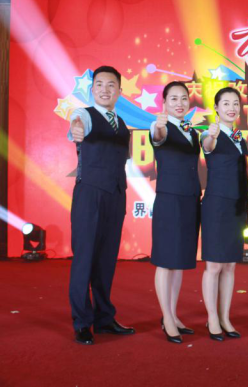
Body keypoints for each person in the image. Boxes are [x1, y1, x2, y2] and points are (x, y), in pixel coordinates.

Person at [68, 66, 134, 345]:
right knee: (85, 258)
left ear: (119, 91)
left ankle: (104, 318)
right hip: (90, 194)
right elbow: (77, 122)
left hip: (116, 195)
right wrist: (75, 128)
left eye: (111, 85)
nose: (105, 89)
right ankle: (82, 322)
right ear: (92, 89)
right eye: (100, 84)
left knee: (106, 260)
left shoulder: (122, 124)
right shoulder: (84, 115)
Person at [150, 81, 201, 344]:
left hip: (190, 199)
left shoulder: (191, 131)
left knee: (179, 261)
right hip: (170, 199)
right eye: (173, 99)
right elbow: (158, 136)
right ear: (164, 103)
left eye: (183, 98)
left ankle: (173, 314)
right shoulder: (161, 126)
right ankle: (167, 318)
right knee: (165, 260)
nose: (179, 103)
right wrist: (159, 126)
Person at [200, 87, 248, 341]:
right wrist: (211, 136)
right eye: (226, 103)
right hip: (217, 206)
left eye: (235, 103)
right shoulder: (211, 133)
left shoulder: (241, 138)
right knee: (214, 265)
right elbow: (208, 146)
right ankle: (212, 318)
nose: (232, 108)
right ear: (216, 108)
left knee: (230, 265)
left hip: (237, 207)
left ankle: (225, 317)